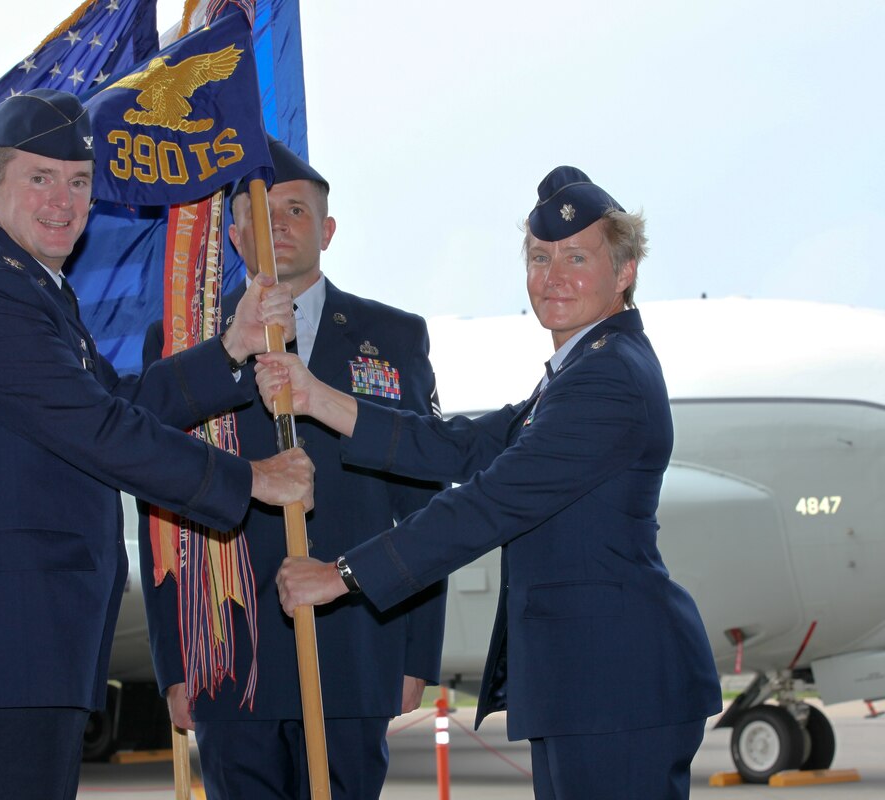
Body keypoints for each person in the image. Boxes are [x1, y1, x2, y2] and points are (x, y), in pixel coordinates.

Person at [0, 89, 314, 800]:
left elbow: (114, 402)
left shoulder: (30, 289)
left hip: (19, 654)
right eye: (40, 177)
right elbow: (103, 432)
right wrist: (253, 481)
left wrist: (233, 348)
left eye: (78, 180)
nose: (64, 199)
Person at [258, 166, 723, 799]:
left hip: (614, 687)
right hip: (590, 686)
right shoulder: (577, 371)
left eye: (576, 258)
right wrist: (317, 398)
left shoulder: (605, 378)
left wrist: (340, 575)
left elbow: (488, 503)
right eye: (539, 257)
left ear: (624, 272)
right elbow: (458, 443)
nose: (552, 276)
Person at [138, 139, 446, 799]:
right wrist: (174, 663)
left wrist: (417, 653)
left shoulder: (391, 336)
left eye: (297, 211)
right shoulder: (188, 340)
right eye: (261, 212)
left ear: (327, 230)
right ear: (234, 234)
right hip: (229, 649)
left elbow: (423, 502)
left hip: (354, 644)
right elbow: (158, 508)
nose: (278, 224)